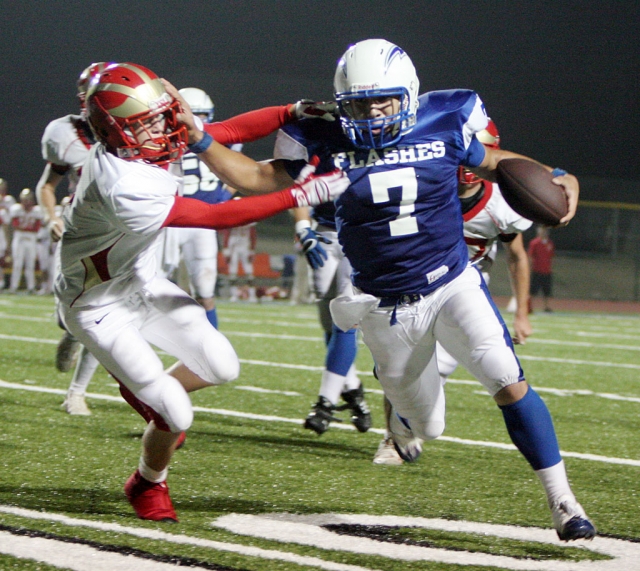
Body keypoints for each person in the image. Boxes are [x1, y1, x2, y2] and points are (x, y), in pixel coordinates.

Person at [227, 39, 593, 541]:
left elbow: (495, 160)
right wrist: (204, 144)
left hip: (452, 282)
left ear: (411, 95)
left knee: (507, 379)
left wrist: (557, 175)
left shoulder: (443, 119)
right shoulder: (322, 136)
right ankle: (401, 422)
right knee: (428, 424)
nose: (374, 112)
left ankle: (564, 503)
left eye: (385, 100)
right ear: (341, 102)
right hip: (384, 305)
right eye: (360, 103)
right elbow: (252, 176)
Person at [55, 62, 349, 522]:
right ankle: (148, 482)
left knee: (221, 365)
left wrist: (291, 110)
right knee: (178, 413)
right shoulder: (122, 181)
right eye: (146, 123)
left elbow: (224, 131)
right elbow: (214, 218)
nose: (160, 126)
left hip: (141, 281)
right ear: (114, 131)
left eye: (158, 116)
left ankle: (149, 392)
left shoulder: (142, 142)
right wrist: (302, 195)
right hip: (96, 305)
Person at [372, 119, 534, 465]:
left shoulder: (499, 203)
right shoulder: (424, 186)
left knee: (440, 367)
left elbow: (518, 257)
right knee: (400, 369)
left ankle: (402, 429)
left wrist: (521, 311)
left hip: (464, 294)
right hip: (415, 287)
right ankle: (392, 436)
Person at [36, 63, 110, 417]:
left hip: (118, 234)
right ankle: (69, 332)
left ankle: (76, 393)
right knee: (69, 317)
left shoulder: (140, 135)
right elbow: (46, 186)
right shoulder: (66, 134)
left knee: (104, 315)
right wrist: (52, 218)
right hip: (77, 231)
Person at [288, 201, 371, 434]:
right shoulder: (319, 162)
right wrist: (303, 227)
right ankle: (353, 388)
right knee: (328, 323)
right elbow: (301, 190)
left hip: (360, 235)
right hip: (324, 233)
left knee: (345, 321)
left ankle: (325, 404)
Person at [8, 189, 42, 294]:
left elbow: (36, 227)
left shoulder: (37, 210)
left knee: (30, 264)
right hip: (20, 238)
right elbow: (15, 225)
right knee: (17, 263)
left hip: (31, 238)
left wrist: (24, 227)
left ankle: (31, 287)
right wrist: (26, 227)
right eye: (25, 199)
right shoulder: (16, 209)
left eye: (28, 199)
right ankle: (13, 287)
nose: (27, 201)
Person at [223, 222, 258, 302]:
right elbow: (227, 233)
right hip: (233, 247)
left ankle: (252, 295)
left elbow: (253, 234)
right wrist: (226, 250)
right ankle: (234, 295)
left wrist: (252, 250)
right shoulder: (232, 219)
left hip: (245, 246)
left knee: (249, 272)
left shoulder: (249, 220)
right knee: (232, 272)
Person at [528, 225, 555, 312]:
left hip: (547, 271)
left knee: (547, 291)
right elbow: (531, 256)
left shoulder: (550, 243)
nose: (544, 233)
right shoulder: (534, 243)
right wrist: (530, 268)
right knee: (533, 290)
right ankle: (529, 306)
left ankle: (546, 307)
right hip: (537, 270)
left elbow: (551, 256)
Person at [0, 178, 16, 290]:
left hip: (2, 230)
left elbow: (9, 222)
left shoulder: (9, 200)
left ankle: (1, 281)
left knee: (2, 257)